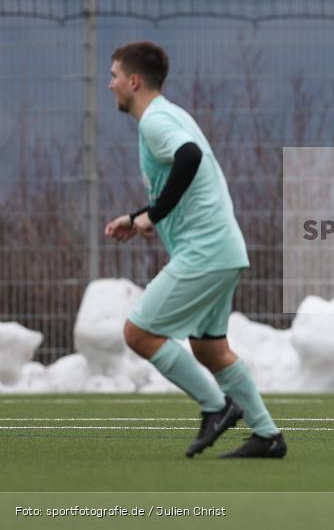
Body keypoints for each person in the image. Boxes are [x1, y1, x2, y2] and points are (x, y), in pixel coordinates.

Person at [104, 41, 287, 457]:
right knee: (209, 349)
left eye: (113, 76)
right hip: (222, 249)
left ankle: (217, 407)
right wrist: (139, 217)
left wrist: (153, 215)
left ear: (133, 81)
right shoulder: (169, 114)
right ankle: (267, 436)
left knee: (138, 332)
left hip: (205, 252)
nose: (110, 85)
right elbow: (184, 173)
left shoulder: (154, 122)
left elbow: (189, 158)